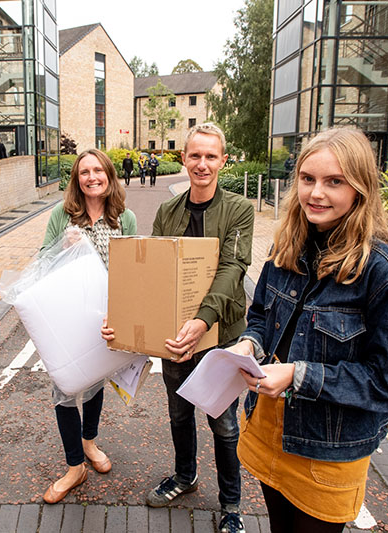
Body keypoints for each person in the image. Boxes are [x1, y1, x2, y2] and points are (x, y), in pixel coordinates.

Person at [230, 127, 388, 532]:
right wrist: (250, 342)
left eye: (334, 182)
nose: (316, 193)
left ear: (360, 188)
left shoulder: (384, 270)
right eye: (308, 179)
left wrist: (299, 375)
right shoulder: (287, 246)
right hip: (269, 427)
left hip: (328, 449)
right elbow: (261, 314)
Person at [102, 123, 254, 533]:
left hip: (220, 334)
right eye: (194, 156)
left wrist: (201, 320)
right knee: (179, 413)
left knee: (223, 422)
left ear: (223, 160)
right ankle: (185, 478)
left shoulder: (238, 210)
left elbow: (233, 268)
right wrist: (124, 319)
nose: (202, 164)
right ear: (184, 159)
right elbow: (155, 271)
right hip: (175, 339)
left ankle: (232, 504)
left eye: (210, 156)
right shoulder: (169, 211)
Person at [41, 148, 137, 504]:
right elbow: (41, 259)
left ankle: (89, 441)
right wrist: (61, 249)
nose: (92, 177)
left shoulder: (124, 218)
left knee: (96, 383)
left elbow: (132, 269)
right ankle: (74, 465)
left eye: (98, 170)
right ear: (76, 179)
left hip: (105, 319)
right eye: (84, 172)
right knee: (64, 388)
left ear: (109, 176)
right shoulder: (62, 214)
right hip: (67, 315)